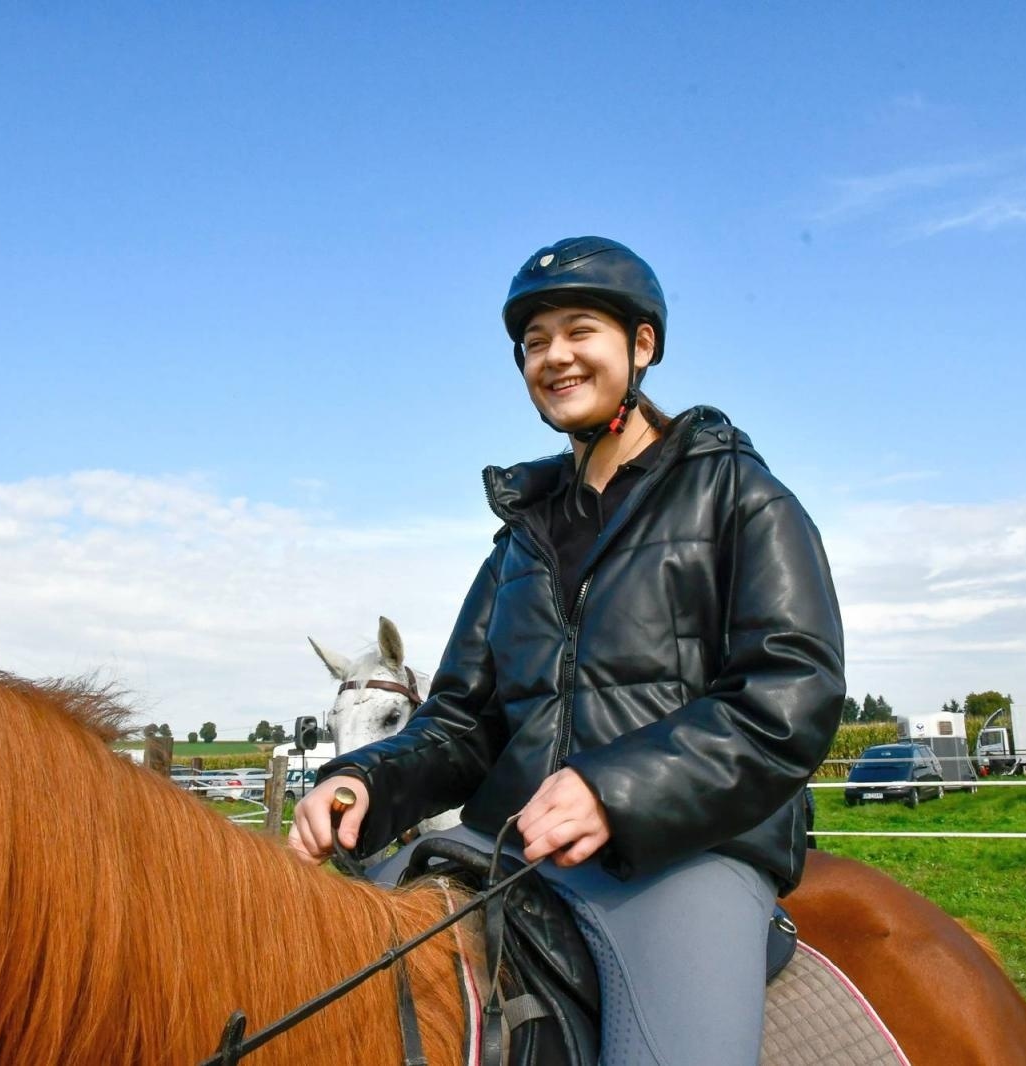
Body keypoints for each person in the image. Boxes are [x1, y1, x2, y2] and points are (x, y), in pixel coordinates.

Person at [288, 236, 846, 1066]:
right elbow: (463, 722)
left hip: (688, 853)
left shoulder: (743, 498)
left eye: (580, 330)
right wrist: (367, 779)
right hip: (506, 841)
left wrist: (615, 792)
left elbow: (790, 693)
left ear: (642, 345)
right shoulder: (520, 538)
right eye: (535, 342)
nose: (555, 357)